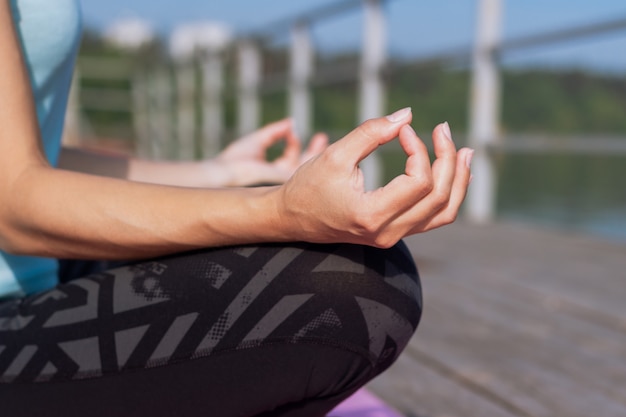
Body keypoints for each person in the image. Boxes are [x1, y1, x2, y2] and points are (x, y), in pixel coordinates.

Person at [0, 0, 473, 416]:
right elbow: (12, 205)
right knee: (356, 290)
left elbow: (31, 154)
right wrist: (278, 209)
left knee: (338, 254)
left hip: (40, 268)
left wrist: (220, 174)